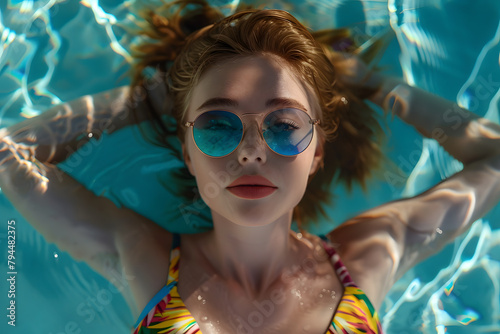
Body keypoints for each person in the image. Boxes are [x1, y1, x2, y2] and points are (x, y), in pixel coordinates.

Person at [1, 1, 499, 333]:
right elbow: (9, 153)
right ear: (189, 151)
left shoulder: (370, 255)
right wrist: (152, 98)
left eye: (284, 126)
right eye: (218, 125)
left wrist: (370, 83)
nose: (252, 151)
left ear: (317, 151)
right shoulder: (143, 258)